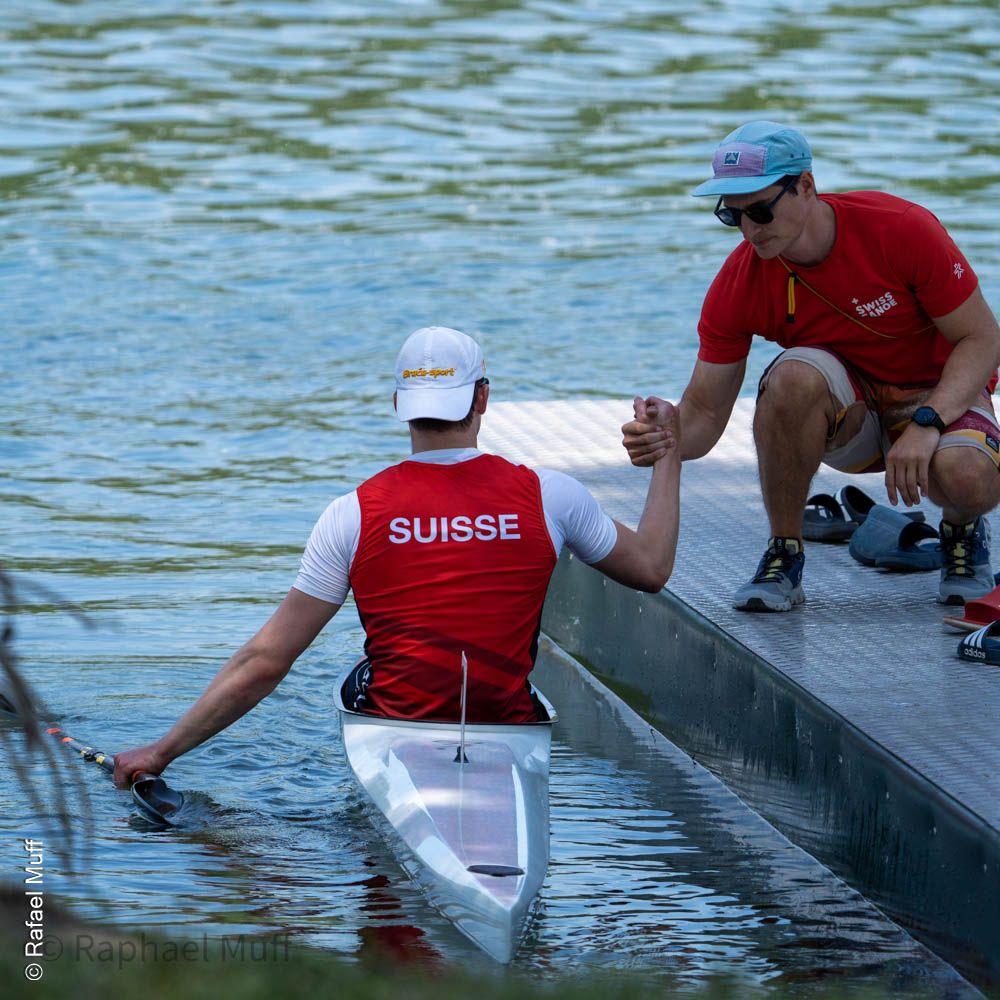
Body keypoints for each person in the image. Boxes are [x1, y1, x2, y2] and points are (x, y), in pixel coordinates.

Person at [114, 326, 681, 785]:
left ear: (398, 405)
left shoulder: (352, 513)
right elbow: (652, 568)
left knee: (365, 670)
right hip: (506, 729)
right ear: (482, 397)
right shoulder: (552, 495)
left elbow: (265, 662)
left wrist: (161, 752)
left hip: (397, 728)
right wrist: (668, 454)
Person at [622, 120, 1000, 613]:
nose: (748, 231)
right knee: (791, 376)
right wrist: (664, 437)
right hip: (853, 414)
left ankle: (962, 529)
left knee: (968, 477)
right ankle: (784, 552)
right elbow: (704, 414)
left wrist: (929, 422)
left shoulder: (901, 228)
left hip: (936, 395)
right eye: (729, 215)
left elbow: (983, 338)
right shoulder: (740, 281)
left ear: (805, 186)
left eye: (759, 211)